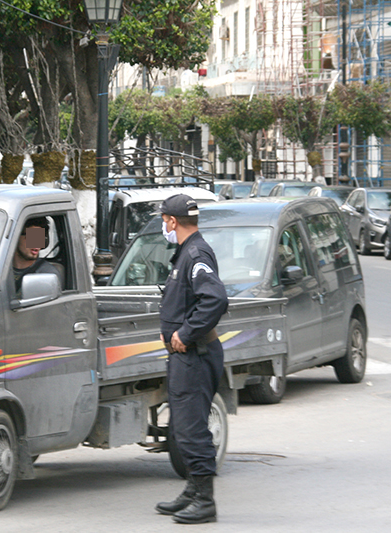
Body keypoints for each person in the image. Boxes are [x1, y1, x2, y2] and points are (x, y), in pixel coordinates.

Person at [155, 194, 229, 525]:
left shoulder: (196, 254)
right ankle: (192, 491)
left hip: (195, 355)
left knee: (192, 428)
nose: (164, 226)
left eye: (164, 221)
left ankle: (205, 500)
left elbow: (215, 299)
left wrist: (185, 333)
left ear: (172, 221)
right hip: (187, 356)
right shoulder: (187, 251)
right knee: (183, 427)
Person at [13, 216, 60, 297]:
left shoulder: (46, 274)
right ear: (16, 238)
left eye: (40, 238)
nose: (36, 244)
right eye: (32, 237)